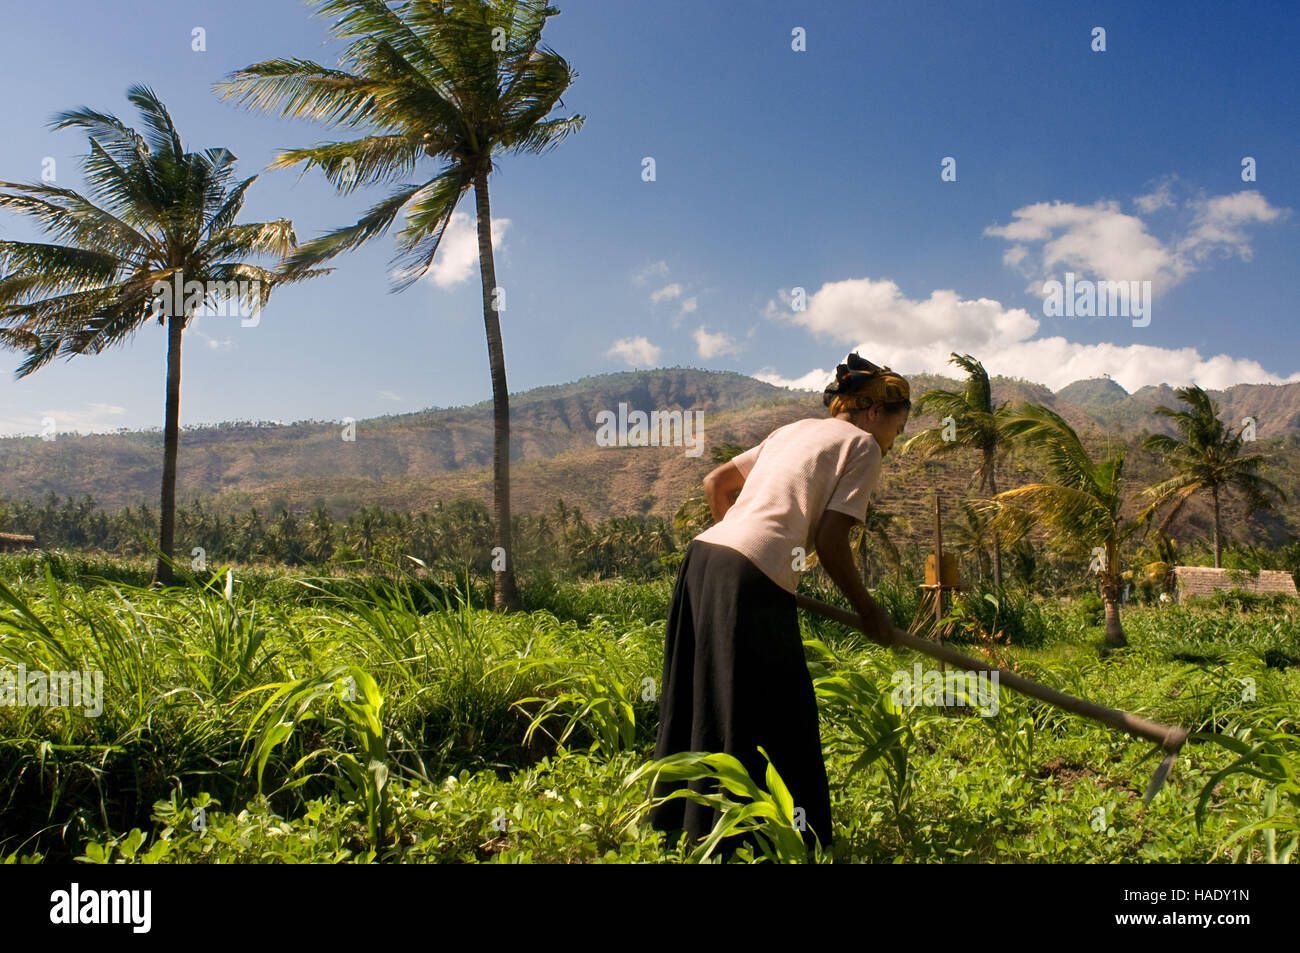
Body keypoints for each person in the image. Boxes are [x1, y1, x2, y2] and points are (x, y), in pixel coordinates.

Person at [646, 352, 910, 861]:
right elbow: (833, 542)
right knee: (784, 715)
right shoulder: (862, 445)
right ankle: (786, 843)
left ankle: (686, 829)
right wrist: (869, 611)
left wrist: (744, 547)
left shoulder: (794, 430)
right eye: (898, 424)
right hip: (747, 576)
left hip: (704, 559)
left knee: (706, 697)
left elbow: (715, 484)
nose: (894, 437)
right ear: (877, 411)